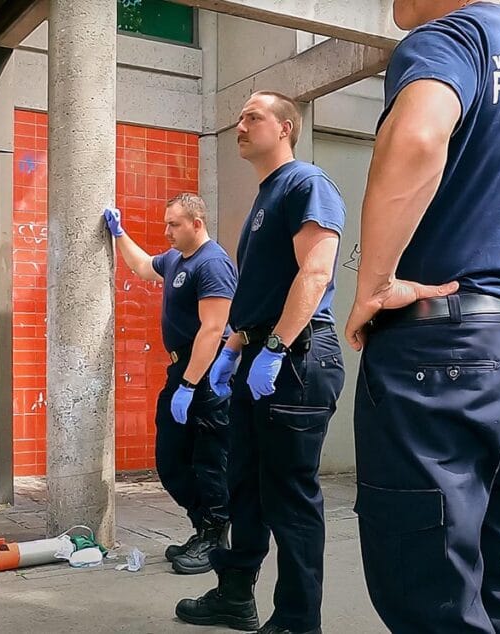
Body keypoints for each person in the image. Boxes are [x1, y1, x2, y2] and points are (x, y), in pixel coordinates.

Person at [344, 1, 500, 632]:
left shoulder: (452, 39)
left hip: (440, 345)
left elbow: (420, 135)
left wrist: (375, 281)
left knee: (429, 584)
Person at [176, 91, 346, 634]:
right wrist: (237, 345)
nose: (240, 125)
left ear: (286, 127)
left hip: (294, 358)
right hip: (259, 354)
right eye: (239, 117)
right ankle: (234, 595)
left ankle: (297, 621)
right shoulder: (267, 195)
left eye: (253, 116)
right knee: (242, 485)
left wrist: (272, 349)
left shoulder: (307, 184)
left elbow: (315, 273)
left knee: (289, 496)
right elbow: (266, 288)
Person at [103, 193, 236, 574]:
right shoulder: (177, 258)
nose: (167, 232)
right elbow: (143, 266)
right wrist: (119, 232)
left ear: (197, 223)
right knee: (171, 461)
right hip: (182, 371)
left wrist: (192, 385)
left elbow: (213, 329)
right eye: (165, 224)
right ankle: (204, 527)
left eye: (173, 224)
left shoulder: (213, 263)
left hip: (207, 376)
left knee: (208, 462)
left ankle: (214, 537)